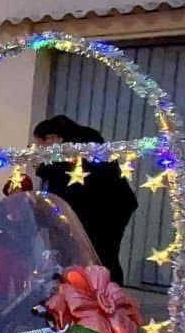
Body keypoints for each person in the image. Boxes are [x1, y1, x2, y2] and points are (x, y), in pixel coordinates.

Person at [26, 114, 137, 284]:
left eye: (41, 146)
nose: (41, 151)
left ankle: (102, 292)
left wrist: (41, 168)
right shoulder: (88, 143)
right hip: (111, 208)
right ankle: (105, 291)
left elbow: (65, 177)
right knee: (105, 255)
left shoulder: (74, 150)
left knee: (98, 255)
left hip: (100, 210)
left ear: (53, 138)